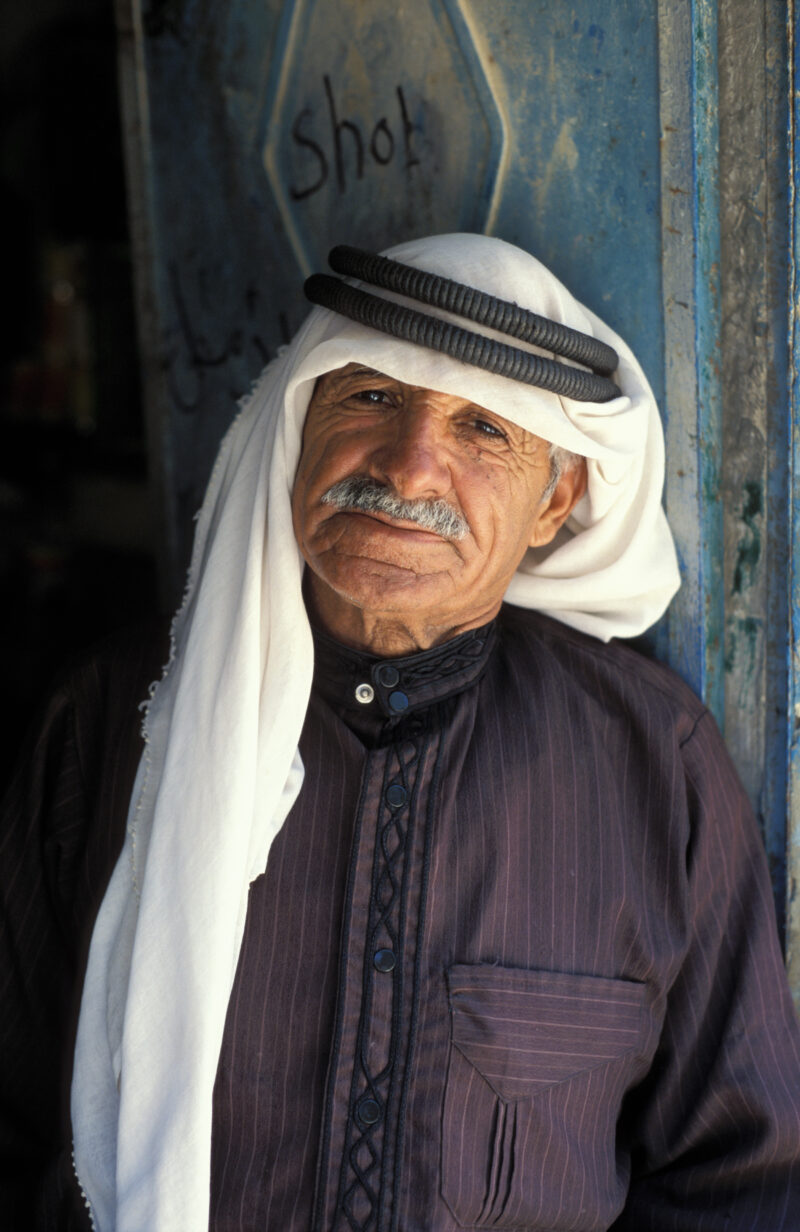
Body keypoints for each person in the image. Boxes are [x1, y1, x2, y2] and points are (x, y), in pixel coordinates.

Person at [2, 233, 799, 1231]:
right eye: (370, 396)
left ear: (554, 500)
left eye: (480, 429)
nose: (411, 467)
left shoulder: (652, 762)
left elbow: (739, 1179)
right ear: (299, 422)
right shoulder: (115, 717)